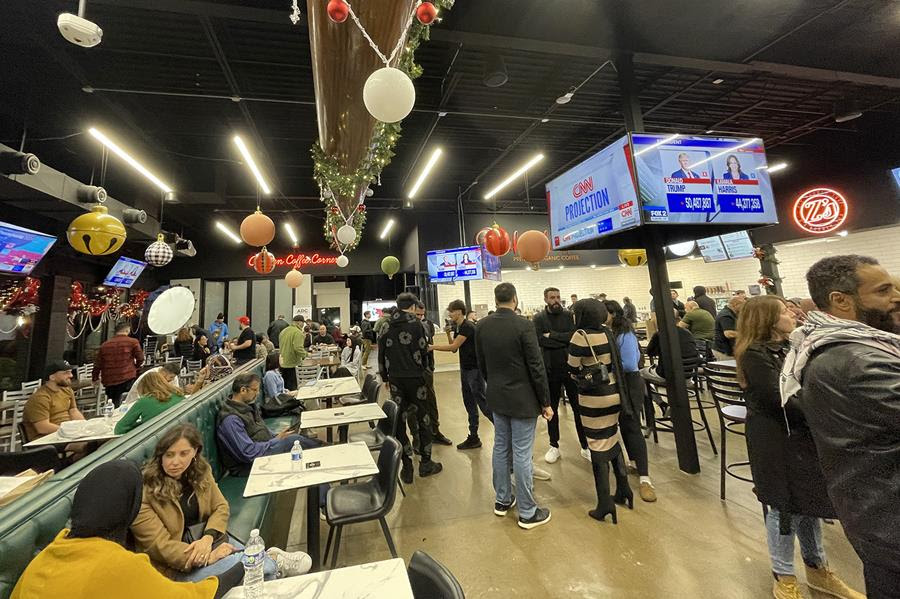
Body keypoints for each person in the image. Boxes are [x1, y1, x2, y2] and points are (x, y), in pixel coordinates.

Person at [781, 255, 900, 596]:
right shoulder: (858, 361)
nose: (896, 296)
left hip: (873, 513)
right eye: (883, 290)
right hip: (888, 517)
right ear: (841, 300)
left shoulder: (836, 348)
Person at [735, 295, 863, 599]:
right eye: (783, 311)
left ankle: (818, 569)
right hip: (776, 442)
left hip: (800, 437)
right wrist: (826, 410)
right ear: (767, 319)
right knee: (785, 507)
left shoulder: (790, 347)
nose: (792, 313)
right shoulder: (755, 354)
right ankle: (784, 577)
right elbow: (778, 399)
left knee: (810, 502)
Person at [10, 460, 236, 599]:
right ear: (130, 508)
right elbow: (198, 596)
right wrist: (245, 566)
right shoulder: (117, 565)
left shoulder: (43, 559)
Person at [131, 424, 310, 582]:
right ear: (160, 456)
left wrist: (207, 538)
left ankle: (270, 562)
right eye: (169, 455)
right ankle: (272, 558)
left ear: (195, 452)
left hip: (211, 541)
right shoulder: (145, 492)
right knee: (262, 569)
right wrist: (206, 556)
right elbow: (159, 546)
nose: (175, 462)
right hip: (175, 567)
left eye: (183, 453)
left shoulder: (200, 472)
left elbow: (220, 507)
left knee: (263, 575)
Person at [475, 282, 553, 530]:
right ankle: (528, 512)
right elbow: (536, 366)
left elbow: (481, 363)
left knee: (500, 448)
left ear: (496, 299)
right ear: (515, 300)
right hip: (523, 399)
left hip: (497, 396)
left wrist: (494, 384)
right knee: (521, 453)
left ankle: (502, 500)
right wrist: (546, 402)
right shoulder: (524, 325)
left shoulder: (482, 326)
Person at [568, 299, 632, 524]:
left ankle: (604, 502)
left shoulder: (580, 336)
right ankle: (624, 490)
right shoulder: (607, 332)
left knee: (596, 445)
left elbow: (572, 366)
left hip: (594, 398)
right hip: (614, 392)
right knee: (612, 439)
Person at [379, 292, 443, 482]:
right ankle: (426, 462)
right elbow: (423, 349)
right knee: (423, 418)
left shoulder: (386, 325)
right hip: (416, 379)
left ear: (398, 306)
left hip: (396, 379)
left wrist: (385, 377)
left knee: (400, 420)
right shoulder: (417, 325)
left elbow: (381, 353)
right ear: (414, 307)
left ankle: (406, 466)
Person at [216, 373, 322, 476]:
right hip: (249, 464)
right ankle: (326, 450)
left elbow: (260, 429)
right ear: (243, 390)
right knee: (293, 442)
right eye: (255, 390)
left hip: (264, 448)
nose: (257, 393)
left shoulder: (246, 407)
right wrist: (275, 440)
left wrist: (276, 436)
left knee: (295, 439)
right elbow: (248, 452)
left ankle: (323, 453)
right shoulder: (231, 420)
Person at [604, 300, 655, 503]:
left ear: (613, 314)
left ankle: (645, 477)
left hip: (630, 384)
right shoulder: (612, 332)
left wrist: (605, 366)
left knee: (632, 426)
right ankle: (633, 463)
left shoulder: (624, 334)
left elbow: (629, 363)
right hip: (620, 384)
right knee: (625, 427)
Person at [532, 287, 588, 463]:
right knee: (552, 409)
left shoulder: (567, 315)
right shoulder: (538, 318)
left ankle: (585, 445)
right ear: (545, 299)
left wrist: (553, 336)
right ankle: (554, 445)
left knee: (578, 408)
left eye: (557, 297)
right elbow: (540, 340)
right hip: (550, 370)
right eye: (552, 297)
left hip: (570, 368)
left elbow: (573, 336)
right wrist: (561, 339)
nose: (556, 300)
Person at [431, 299, 492, 450]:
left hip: (474, 370)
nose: (450, 314)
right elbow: (454, 349)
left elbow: (453, 346)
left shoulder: (467, 327)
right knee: (469, 402)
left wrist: (432, 347)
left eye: (451, 311)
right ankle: (473, 436)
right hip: (466, 369)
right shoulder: (460, 327)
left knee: (482, 403)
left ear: (458, 311)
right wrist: (447, 333)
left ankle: (504, 432)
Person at [22, 360, 86, 456]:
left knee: (99, 441)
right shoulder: (40, 397)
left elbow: (73, 411)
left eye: (70, 372)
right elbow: (42, 427)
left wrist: (85, 427)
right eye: (65, 373)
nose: (71, 376)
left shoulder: (67, 390)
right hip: (46, 439)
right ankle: (69, 466)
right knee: (86, 445)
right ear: (52, 377)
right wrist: (71, 431)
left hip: (66, 434)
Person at [415, 301, 452, 446]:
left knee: (431, 401)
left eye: (422, 314)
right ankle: (418, 437)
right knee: (415, 406)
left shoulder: (428, 324)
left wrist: (430, 367)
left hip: (427, 367)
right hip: (413, 371)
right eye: (417, 314)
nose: (420, 317)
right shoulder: (407, 327)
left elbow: (428, 344)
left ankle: (435, 431)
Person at [114, 370, 185, 435]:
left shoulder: (144, 401)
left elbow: (119, 429)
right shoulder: (179, 394)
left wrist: (141, 424)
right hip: (180, 432)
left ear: (143, 388)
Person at [93, 322, 144, 406]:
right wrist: (136, 368)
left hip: (109, 379)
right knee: (127, 402)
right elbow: (140, 358)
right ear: (127, 330)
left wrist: (95, 377)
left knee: (113, 402)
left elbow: (98, 364)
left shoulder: (105, 345)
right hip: (127, 376)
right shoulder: (132, 342)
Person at [642, 310, 700, 380]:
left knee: (642, 372)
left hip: (667, 375)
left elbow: (649, 352)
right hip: (688, 374)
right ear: (678, 319)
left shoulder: (660, 334)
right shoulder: (688, 333)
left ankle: (655, 390)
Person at [278, 315, 307, 390]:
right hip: (293, 364)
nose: (303, 325)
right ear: (299, 322)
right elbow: (298, 348)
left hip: (282, 363)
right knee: (293, 388)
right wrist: (306, 355)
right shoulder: (298, 332)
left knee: (285, 388)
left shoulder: (283, 331)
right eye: (303, 323)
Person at [713, 295, 746, 360]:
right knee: (728, 369)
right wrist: (748, 335)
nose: (744, 308)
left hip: (729, 349)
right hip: (724, 350)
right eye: (743, 306)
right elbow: (729, 333)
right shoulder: (726, 315)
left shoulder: (732, 314)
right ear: (735, 304)